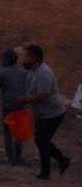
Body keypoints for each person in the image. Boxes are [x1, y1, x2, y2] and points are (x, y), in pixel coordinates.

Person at [18, 44, 71, 180]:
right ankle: (61, 161)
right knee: (42, 140)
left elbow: (43, 95)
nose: (23, 59)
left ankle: (46, 172)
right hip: (44, 113)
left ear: (34, 58)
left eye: (26, 56)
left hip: (53, 113)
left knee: (41, 140)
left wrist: (25, 99)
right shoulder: (33, 70)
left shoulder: (44, 72)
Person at [0, 49, 28, 165]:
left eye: (3, 58)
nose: (1, 61)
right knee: (19, 133)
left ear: (8, 60)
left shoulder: (2, 72)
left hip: (9, 106)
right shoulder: (23, 72)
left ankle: (11, 159)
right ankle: (18, 157)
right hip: (21, 106)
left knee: (8, 133)